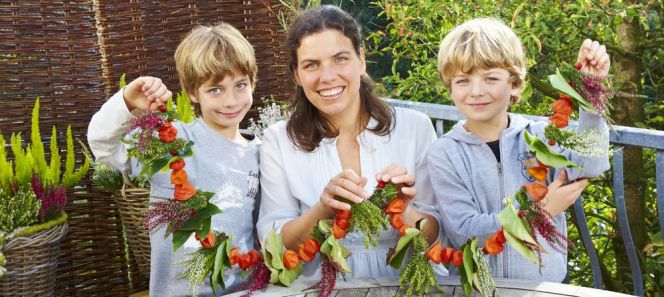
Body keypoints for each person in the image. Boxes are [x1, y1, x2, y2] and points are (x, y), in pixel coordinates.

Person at [256, 5, 444, 279]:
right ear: (296, 74)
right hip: (321, 288)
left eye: (340, 58)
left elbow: (434, 236)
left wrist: (402, 209)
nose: (328, 76)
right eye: (311, 65)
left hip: (406, 287)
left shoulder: (415, 127)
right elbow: (275, 245)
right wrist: (323, 210)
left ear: (361, 60)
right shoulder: (279, 140)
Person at [428, 17, 610, 282]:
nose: (476, 91)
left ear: (513, 84)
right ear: (450, 87)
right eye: (462, 81)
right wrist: (541, 212)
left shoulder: (539, 136)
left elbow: (590, 164)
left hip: (544, 287)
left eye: (490, 78)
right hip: (479, 289)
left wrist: (590, 94)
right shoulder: (445, 153)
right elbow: (467, 234)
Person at [88, 23, 261, 296]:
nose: (231, 101)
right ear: (193, 92)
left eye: (240, 85)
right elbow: (104, 146)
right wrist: (127, 102)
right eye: (215, 89)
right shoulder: (171, 140)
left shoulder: (261, 154)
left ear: (252, 82)